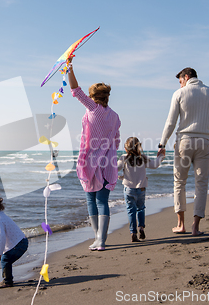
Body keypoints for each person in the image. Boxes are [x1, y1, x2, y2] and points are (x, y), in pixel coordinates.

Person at [157, 67, 209, 236]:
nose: (180, 85)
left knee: (180, 182)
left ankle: (181, 225)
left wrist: (162, 144)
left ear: (186, 77)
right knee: (201, 184)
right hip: (205, 142)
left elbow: (170, 122)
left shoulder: (179, 94)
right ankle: (196, 226)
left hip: (184, 142)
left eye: (180, 81)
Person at [68, 60, 121, 251]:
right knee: (102, 201)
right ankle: (101, 240)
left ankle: (98, 238)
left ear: (93, 97)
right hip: (108, 162)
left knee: (92, 200)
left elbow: (75, 90)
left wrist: (70, 69)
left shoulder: (92, 108)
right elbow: (116, 141)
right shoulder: (115, 116)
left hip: (90, 161)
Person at [118, 137, 164, 242]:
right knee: (141, 208)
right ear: (139, 147)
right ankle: (141, 228)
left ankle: (133, 233)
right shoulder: (142, 158)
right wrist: (161, 156)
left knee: (131, 211)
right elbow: (155, 165)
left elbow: (115, 168)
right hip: (141, 189)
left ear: (126, 148)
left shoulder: (123, 158)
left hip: (129, 189)